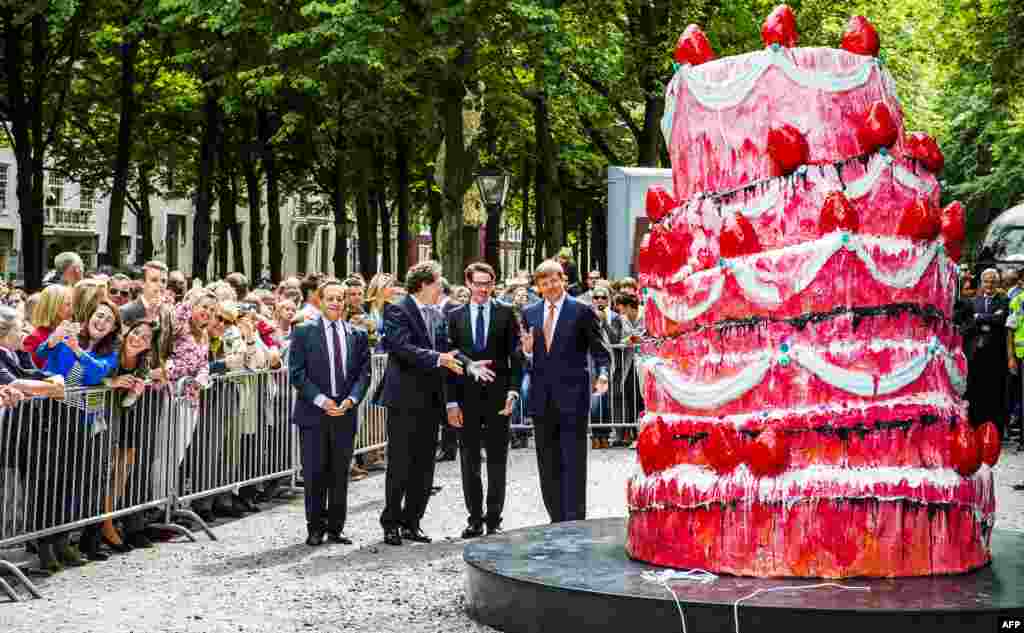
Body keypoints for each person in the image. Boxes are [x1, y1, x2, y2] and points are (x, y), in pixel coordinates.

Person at [375, 260, 472, 545]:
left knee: (424, 465)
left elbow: (445, 348)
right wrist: (437, 359)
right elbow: (401, 347)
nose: (442, 286)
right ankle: (391, 522)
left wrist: (467, 363)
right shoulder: (397, 309)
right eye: (438, 281)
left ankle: (412, 521)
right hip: (404, 399)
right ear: (424, 284)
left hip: (431, 399)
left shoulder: (439, 314)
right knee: (400, 463)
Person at [520, 259, 608, 523]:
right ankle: (555, 518)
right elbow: (523, 355)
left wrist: (603, 375)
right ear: (538, 286)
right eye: (544, 282)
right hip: (542, 398)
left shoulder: (581, 310)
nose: (550, 286)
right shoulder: (530, 312)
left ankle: (574, 520)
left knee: (573, 460)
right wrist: (525, 351)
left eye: (554, 280)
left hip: (573, 398)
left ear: (564, 280)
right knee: (547, 461)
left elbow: (600, 351)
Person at [37, 299, 122, 564]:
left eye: (108, 319)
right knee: (51, 480)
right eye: (99, 315)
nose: (101, 321)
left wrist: (79, 352)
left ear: (112, 328)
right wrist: (53, 340)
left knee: (72, 480)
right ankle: (44, 544)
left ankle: (63, 540)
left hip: (81, 420)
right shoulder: (69, 336)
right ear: (89, 317)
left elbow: (97, 373)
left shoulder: (109, 352)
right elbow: (40, 356)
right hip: (53, 414)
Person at [289, 280, 372, 546]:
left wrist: (352, 399)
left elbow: (363, 373)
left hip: (345, 413)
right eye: (330, 298)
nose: (336, 303)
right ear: (320, 301)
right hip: (314, 413)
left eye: (340, 298)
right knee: (314, 473)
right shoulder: (303, 332)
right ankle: (315, 528)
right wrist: (321, 400)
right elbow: (297, 373)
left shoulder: (356, 334)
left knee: (339, 473)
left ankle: (336, 528)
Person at [445, 263, 522, 537]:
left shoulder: (505, 313)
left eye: (487, 283)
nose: (483, 289)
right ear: (468, 284)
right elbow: (449, 354)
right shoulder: (454, 316)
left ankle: (494, 518)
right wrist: (451, 401)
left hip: (499, 398)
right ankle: (474, 518)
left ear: (493, 284)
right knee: (469, 461)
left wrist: (514, 390)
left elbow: (516, 355)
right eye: (478, 283)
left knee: (498, 460)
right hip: (466, 398)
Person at [961, 268, 1008, 436]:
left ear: (998, 283)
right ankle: (974, 427)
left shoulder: (1004, 301)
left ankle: (995, 430)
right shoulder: (972, 302)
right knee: (975, 391)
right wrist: (987, 319)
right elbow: (966, 326)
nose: (990, 285)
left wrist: (979, 318)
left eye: (993, 281)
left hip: (996, 355)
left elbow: (1001, 320)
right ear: (981, 283)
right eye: (987, 281)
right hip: (975, 355)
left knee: (995, 393)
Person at [24, 284, 73, 369]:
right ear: (53, 307)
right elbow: (31, 372)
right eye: (68, 304)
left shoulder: (71, 332)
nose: (72, 309)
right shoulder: (34, 338)